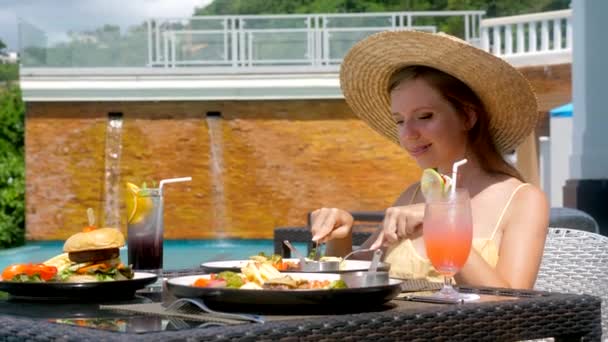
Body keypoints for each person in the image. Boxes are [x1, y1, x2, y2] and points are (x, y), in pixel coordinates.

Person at [310, 31, 549, 290]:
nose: (408, 134)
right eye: (399, 121)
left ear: (468, 117)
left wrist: (440, 224)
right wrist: (341, 236)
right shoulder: (413, 195)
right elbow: (355, 280)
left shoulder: (522, 201)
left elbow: (514, 306)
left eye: (424, 116)